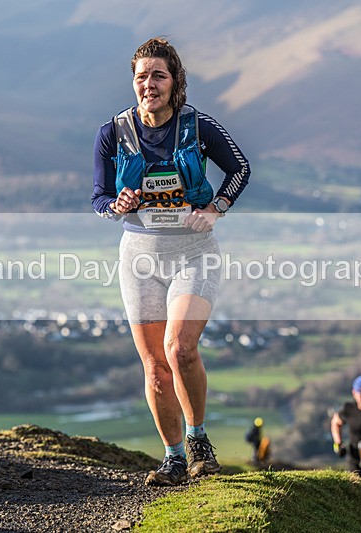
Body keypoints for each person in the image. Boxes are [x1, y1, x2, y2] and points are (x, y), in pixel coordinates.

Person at [92, 37, 250, 487]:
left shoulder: (198, 126)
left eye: (158, 75)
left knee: (179, 348)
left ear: (175, 80)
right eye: (141, 76)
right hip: (139, 256)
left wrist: (216, 207)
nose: (149, 84)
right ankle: (174, 458)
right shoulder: (113, 132)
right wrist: (115, 205)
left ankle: (199, 440)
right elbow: (98, 197)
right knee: (154, 366)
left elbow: (240, 168)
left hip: (193, 254)